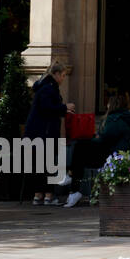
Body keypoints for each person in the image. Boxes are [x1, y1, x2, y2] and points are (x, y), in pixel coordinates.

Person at [60, 93, 130, 207]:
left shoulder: (115, 119)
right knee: (80, 153)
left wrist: (96, 137)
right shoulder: (124, 118)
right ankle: (72, 182)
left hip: (111, 155)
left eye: (108, 103)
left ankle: (72, 183)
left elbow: (105, 139)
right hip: (114, 152)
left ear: (112, 105)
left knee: (79, 148)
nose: (106, 105)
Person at [24, 62, 74, 206]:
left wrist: (63, 109)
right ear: (56, 74)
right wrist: (65, 107)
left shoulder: (44, 87)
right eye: (63, 75)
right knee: (48, 163)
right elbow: (47, 108)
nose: (64, 78)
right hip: (45, 132)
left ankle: (39, 195)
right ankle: (47, 195)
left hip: (38, 132)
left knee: (40, 163)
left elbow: (47, 108)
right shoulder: (49, 88)